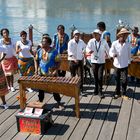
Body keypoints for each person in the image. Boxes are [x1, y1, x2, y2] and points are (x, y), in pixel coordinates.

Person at [35, 36, 63, 109]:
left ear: (48, 43)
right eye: (42, 41)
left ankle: (58, 102)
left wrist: (56, 70)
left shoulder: (54, 51)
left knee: (54, 89)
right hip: (41, 73)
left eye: (44, 42)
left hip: (52, 74)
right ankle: (40, 101)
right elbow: (36, 60)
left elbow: (59, 61)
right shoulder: (39, 51)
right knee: (41, 88)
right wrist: (36, 70)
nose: (42, 43)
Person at [86, 29, 110, 99]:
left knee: (100, 77)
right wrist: (89, 51)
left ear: (100, 35)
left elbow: (108, 49)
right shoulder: (91, 41)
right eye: (94, 34)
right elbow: (87, 47)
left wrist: (110, 56)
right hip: (94, 61)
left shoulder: (104, 41)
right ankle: (96, 89)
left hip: (101, 61)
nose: (95, 35)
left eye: (96, 34)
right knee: (95, 76)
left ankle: (100, 91)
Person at [109, 28, 131, 99]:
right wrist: (113, 55)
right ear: (120, 35)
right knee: (116, 79)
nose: (125, 36)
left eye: (126, 35)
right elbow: (110, 52)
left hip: (125, 64)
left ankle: (124, 93)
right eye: (124, 35)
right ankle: (117, 92)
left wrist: (129, 62)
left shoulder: (128, 44)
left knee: (125, 80)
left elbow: (129, 54)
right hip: (116, 64)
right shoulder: (114, 43)